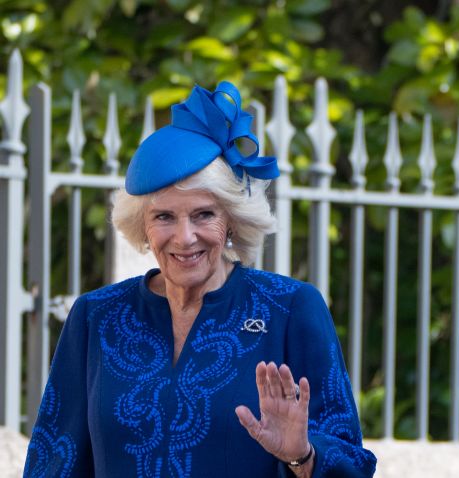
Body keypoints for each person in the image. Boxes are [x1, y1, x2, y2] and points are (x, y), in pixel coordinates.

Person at [24, 82, 376, 477]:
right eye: (164, 217)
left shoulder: (289, 309)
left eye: (204, 215)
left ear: (232, 221)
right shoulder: (97, 316)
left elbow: (353, 465)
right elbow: (52, 461)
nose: (185, 237)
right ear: (143, 226)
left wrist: (304, 455)